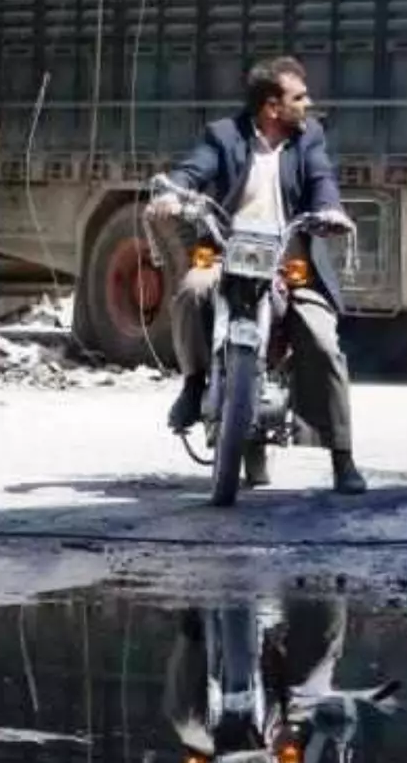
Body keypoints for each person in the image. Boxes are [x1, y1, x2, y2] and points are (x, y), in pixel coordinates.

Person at [146, 56, 364, 495]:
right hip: (228, 254)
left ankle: (342, 457)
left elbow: (322, 181)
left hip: (287, 260)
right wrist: (172, 192)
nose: (309, 103)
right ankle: (193, 384)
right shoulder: (224, 136)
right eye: (299, 97)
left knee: (322, 338)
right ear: (271, 107)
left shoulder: (309, 139)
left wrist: (330, 211)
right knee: (191, 292)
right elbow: (194, 169)